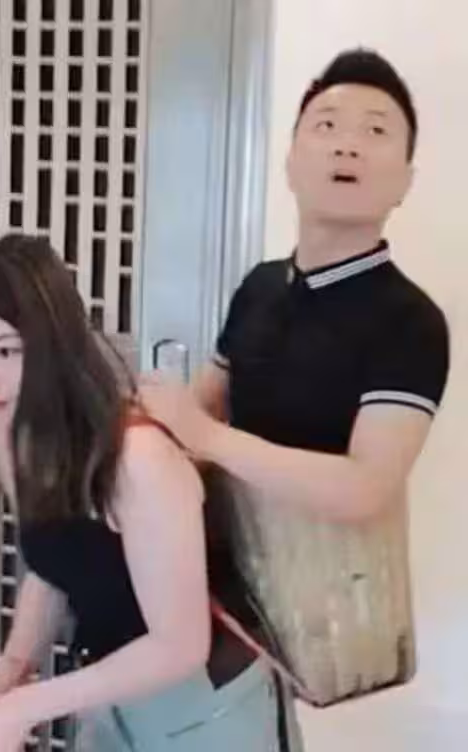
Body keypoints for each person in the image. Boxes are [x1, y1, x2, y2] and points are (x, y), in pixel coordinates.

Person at [141, 46, 450, 691]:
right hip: (228, 602)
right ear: (289, 162)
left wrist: (207, 437)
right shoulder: (260, 285)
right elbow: (204, 404)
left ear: (405, 181)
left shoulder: (412, 321)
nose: (347, 145)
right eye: (326, 125)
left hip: (331, 627)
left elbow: (366, 487)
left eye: (375, 131)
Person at [0, 234, 303, 752]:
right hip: (115, 698)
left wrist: (22, 707)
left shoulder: (136, 456)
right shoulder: (15, 433)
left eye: (6, 350)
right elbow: (54, 560)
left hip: (207, 712)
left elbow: (181, 644)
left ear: (53, 344)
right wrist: (7, 676)